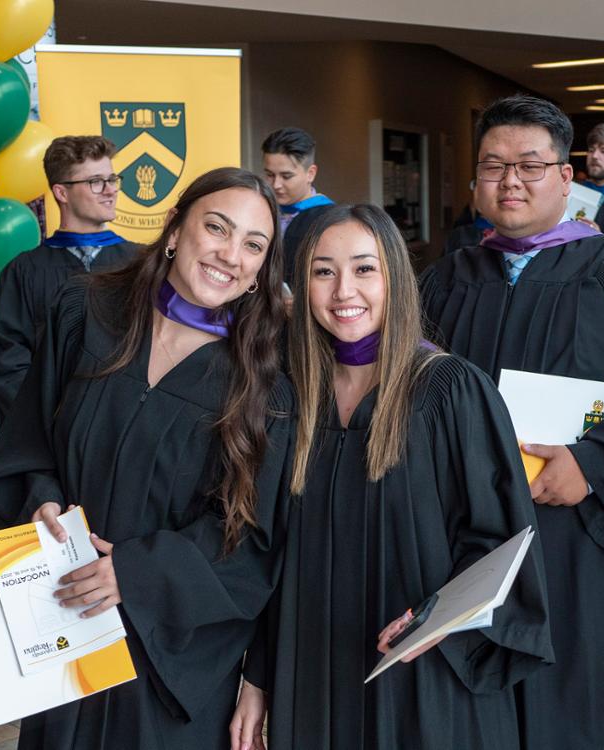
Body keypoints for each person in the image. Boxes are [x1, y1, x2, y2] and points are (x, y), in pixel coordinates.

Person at [420, 94, 604, 750]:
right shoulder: (446, 278)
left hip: (575, 533)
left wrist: (595, 466)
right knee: (461, 693)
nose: (510, 181)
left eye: (529, 165)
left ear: (566, 178)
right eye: (493, 167)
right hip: (462, 528)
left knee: (567, 699)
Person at [0, 167, 293, 749]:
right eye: (216, 228)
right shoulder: (88, 312)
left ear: (261, 271)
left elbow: (254, 529)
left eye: (254, 244)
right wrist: (41, 496)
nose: (230, 253)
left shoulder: (267, 378)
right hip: (65, 617)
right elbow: (29, 439)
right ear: (174, 230)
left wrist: (138, 572)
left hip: (173, 651)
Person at [232, 203, 552, 750]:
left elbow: (500, 540)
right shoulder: (289, 397)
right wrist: (258, 678)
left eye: (364, 268)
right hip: (312, 669)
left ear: (395, 278)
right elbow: (269, 556)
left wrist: (434, 618)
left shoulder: (449, 390)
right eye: (323, 271)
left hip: (419, 673)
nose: (343, 292)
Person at [0, 135, 139, 427]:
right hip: (48, 429)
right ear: (62, 193)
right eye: (95, 181)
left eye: (112, 179)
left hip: (122, 427)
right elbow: (7, 358)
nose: (110, 191)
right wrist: (49, 418)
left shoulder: (139, 263)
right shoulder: (25, 270)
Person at [262, 126, 334, 283]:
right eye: (269, 175)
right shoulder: (261, 211)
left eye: (286, 176)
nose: (276, 185)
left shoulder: (330, 220)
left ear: (310, 173)